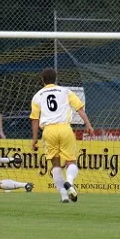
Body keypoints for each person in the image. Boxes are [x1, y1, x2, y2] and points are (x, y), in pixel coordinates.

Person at [29, 68, 94, 203]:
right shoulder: (65, 91)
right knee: (71, 161)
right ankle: (69, 181)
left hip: (49, 130)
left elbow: (35, 119)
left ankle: (64, 196)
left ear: (42, 80)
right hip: (65, 128)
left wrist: (34, 139)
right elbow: (79, 108)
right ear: (56, 79)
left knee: (56, 165)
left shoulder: (38, 95)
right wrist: (88, 124)